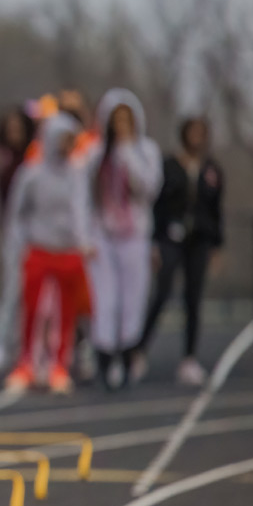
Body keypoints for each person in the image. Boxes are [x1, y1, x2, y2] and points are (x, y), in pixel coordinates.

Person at [3, 113, 92, 394]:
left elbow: (82, 211)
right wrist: (16, 246)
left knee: (64, 314)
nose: (67, 147)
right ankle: (27, 364)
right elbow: (17, 213)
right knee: (33, 310)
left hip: (67, 252)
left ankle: (58, 366)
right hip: (39, 249)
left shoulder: (77, 174)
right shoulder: (31, 173)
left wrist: (84, 241)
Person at [133, 116, 225, 385]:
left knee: (193, 299)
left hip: (200, 240)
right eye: (193, 132)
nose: (197, 137)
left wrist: (217, 245)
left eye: (201, 132)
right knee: (161, 293)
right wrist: (153, 242)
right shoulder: (168, 166)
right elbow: (157, 206)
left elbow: (216, 210)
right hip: (169, 238)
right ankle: (138, 352)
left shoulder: (212, 169)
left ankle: (189, 358)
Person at [85, 88, 162, 390]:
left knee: (133, 300)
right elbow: (83, 195)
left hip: (135, 235)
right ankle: (104, 359)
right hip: (103, 235)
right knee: (106, 300)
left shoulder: (145, 151)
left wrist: (128, 153)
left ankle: (129, 358)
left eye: (125, 120)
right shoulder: (95, 154)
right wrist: (85, 235)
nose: (119, 126)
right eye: (114, 120)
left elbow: (149, 188)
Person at [0, 105, 37, 375]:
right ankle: (2, 344)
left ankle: (34, 348)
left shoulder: (35, 158)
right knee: (13, 290)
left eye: (18, 129)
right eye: (9, 129)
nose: (14, 134)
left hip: (40, 231)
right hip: (14, 231)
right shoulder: (2, 158)